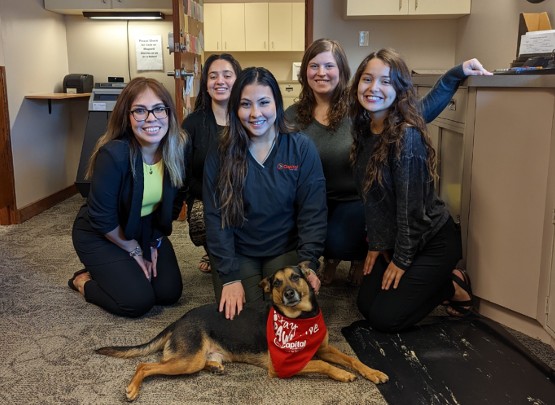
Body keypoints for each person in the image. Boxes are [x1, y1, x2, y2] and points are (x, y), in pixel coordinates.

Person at [286, 38, 492, 287]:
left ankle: (353, 254)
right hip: (316, 201)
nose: (321, 73)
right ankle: (331, 257)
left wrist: (453, 76)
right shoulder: (291, 116)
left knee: (335, 239)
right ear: (304, 70)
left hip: (358, 202)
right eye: (314, 65)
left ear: (342, 71)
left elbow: (417, 113)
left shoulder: (359, 108)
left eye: (329, 66)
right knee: (301, 226)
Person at [349, 48, 492, 332]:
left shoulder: (406, 137)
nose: (373, 88)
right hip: (399, 238)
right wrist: (378, 244)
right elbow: (373, 200)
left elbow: (410, 210)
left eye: (386, 81)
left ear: (399, 90)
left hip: (431, 240)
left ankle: (451, 286)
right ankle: (422, 279)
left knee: (385, 318)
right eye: (367, 79)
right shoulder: (365, 128)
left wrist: (401, 260)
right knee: (366, 306)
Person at [203, 67, 327, 320]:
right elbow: (216, 218)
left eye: (263, 103)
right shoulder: (221, 151)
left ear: (277, 104)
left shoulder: (301, 148)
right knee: (247, 319)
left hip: (284, 249)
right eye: (245, 104)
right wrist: (229, 277)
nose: (255, 113)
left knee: (288, 314)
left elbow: (313, 211)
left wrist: (308, 263)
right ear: (235, 109)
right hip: (239, 252)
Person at [69, 77, 188, 318]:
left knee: (168, 293)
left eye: (158, 109)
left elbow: (174, 204)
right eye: (140, 111)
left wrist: (153, 242)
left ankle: (114, 269)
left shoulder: (178, 148)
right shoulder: (114, 155)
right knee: (137, 302)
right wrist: (134, 250)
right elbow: (102, 219)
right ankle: (83, 281)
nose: (151, 118)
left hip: (144, 227)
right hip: (102, 233)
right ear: (127, 116)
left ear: (169, 113)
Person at [182, 53, 242, 273]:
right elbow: (184, 175)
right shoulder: (192, 124)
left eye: (227, 75)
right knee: (204, 217)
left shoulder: (249, 118)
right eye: (213, 76)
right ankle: (213, 249)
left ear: (238, 81)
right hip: (205, 197)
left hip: (246, 195)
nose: (220, 81)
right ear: (205, 84)